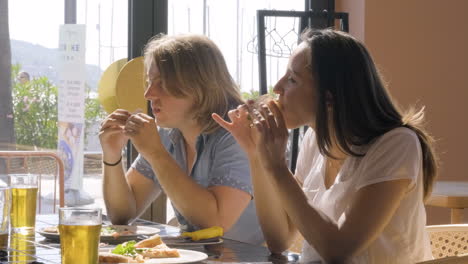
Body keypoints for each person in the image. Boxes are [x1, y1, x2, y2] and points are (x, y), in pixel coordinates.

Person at [213, 29, 438, 263]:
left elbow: (338, 251)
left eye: (292, 79)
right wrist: (257, 156)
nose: (277, 88)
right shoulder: (314, 140)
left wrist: (279, 168)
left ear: (329, 97)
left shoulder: (396, 144)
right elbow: (279, 240)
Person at [99, 34, 264, 244]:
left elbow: (216, 224)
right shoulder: (168, 133)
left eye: (162, 83)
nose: (149, 93)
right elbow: (122, 215)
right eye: (150, 81)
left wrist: (156, 153)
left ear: (198, 85)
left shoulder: (236, 132)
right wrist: (112, 155)